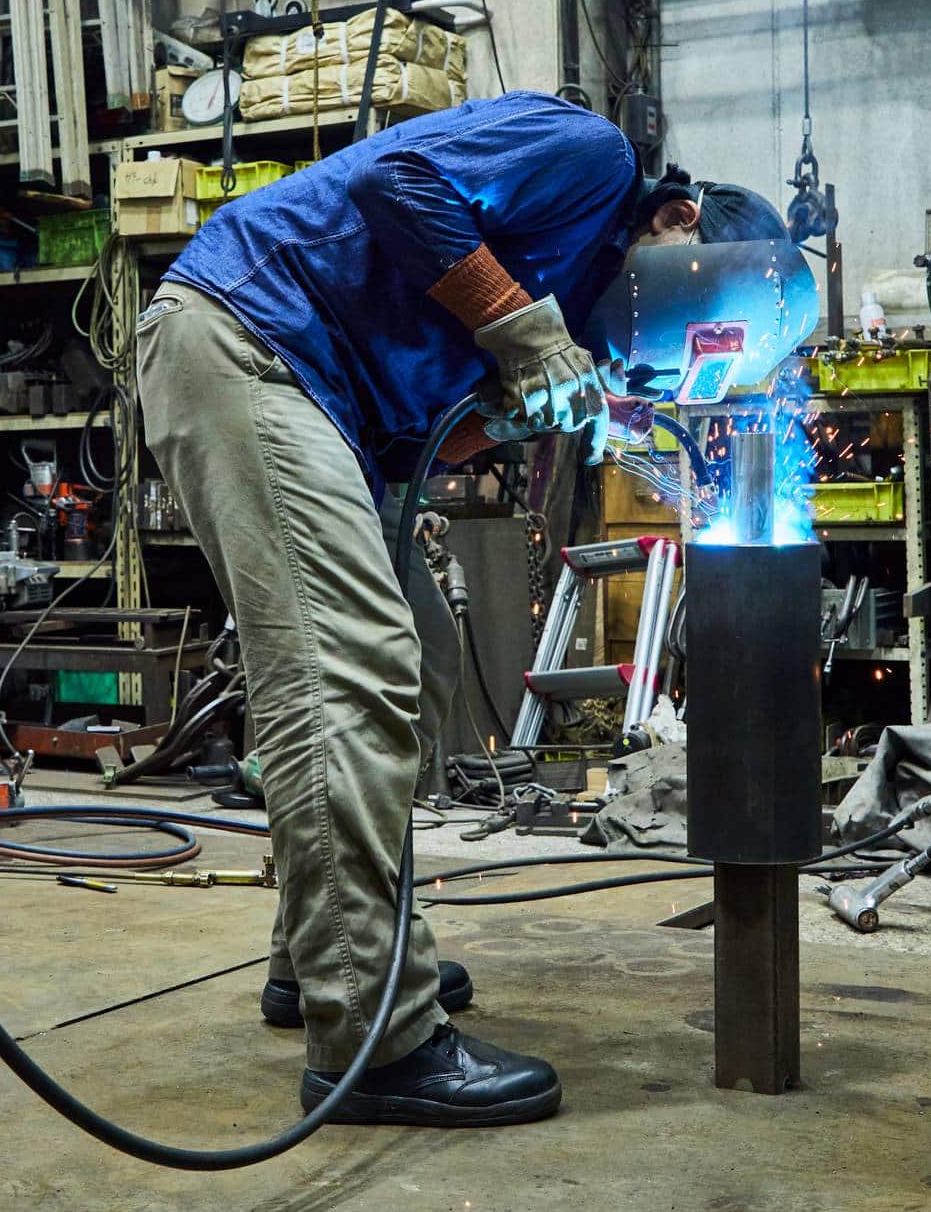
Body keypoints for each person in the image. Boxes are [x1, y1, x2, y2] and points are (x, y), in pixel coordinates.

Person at [135, 89, 785, 1127]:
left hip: (328, 405)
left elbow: (432, 432)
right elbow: (400, 184)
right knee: (347, 668)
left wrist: (523, 403)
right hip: (249, 338)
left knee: (423, 660)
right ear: (681, 228)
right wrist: (523, 333)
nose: (664, 355)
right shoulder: (592, 156)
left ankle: (320, 956)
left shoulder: (593, 315)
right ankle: (376, 1037)